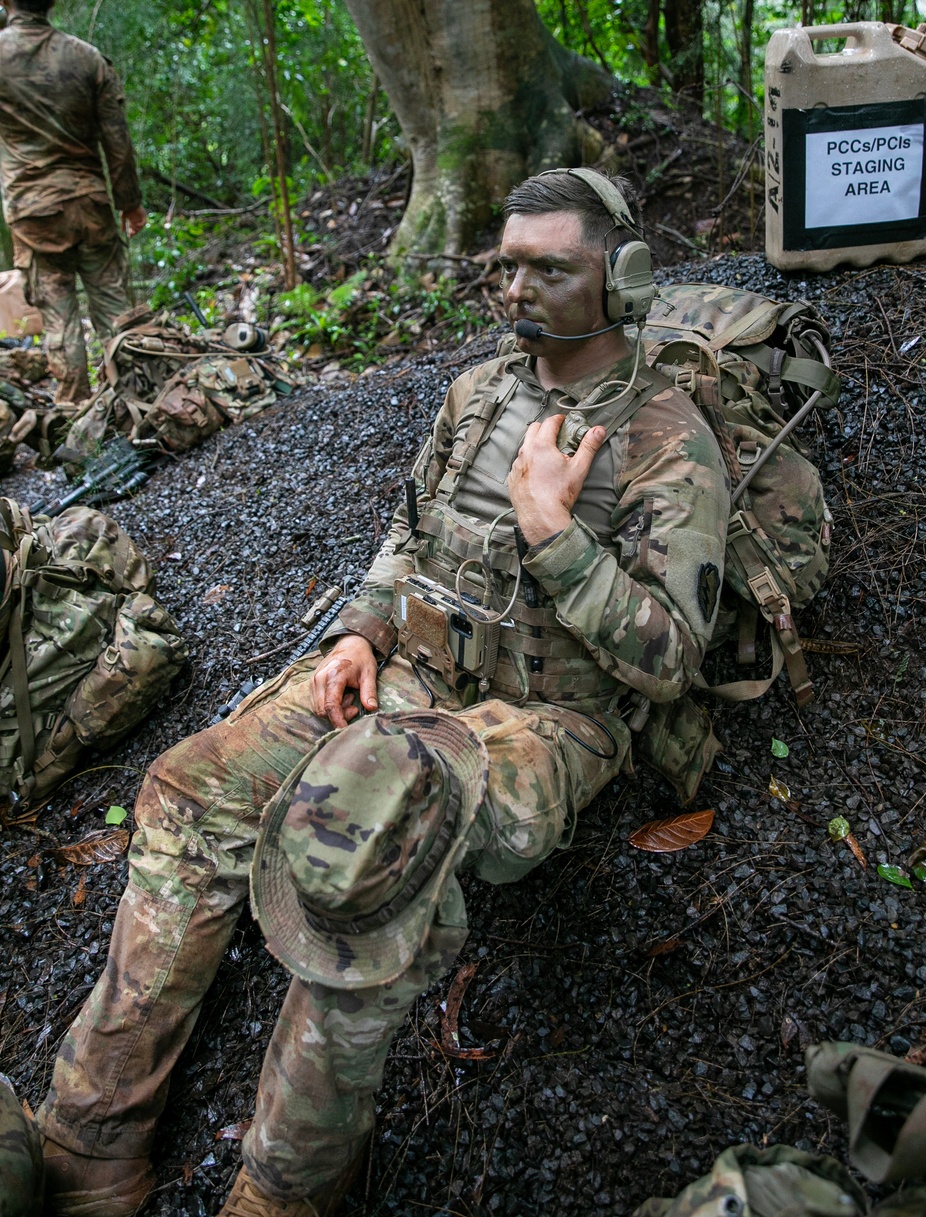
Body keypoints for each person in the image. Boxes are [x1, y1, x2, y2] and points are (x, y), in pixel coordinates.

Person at [36, 168, 730, 1217]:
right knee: (188, 785)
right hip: (404, 672)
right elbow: (407, 532)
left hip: (542, 723)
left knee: (360, 860)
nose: (520, 289)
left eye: (554, 267)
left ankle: (288, 1183)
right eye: (509, 267)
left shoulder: (666, 437)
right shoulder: (479, 392)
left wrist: (556, 539)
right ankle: (92, 1134)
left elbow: (669, 656)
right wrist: (361, 627)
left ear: (622, 277)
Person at [0, 0, 146, 404]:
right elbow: (117, 142)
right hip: (91, 204)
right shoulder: (88, 58)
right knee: (117, 313)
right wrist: (130, 203)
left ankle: (75, 421)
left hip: (33, 213)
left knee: (59, 321)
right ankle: (139, 408)